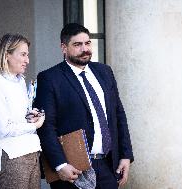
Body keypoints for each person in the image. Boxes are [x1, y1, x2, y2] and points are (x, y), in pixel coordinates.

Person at [34, 23, 134, 189]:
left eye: (87, 43)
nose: (84, 49)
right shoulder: (50, 78)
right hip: (73, 170)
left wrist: (125, 155)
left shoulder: (104, 72)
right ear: (63, 47)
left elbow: (118, 114)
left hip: (108, 166)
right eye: (77, 44)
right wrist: (60, 165)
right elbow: (46, 127)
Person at [0, 33, 45, 189]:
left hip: (32, 152)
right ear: (7, 55)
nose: (27, 60)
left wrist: (31, 116)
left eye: (28, 55)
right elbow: (3, 128)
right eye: (23, 55)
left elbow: (18, 118)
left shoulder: (20, 81)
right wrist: (34, 126)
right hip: (11, 156)